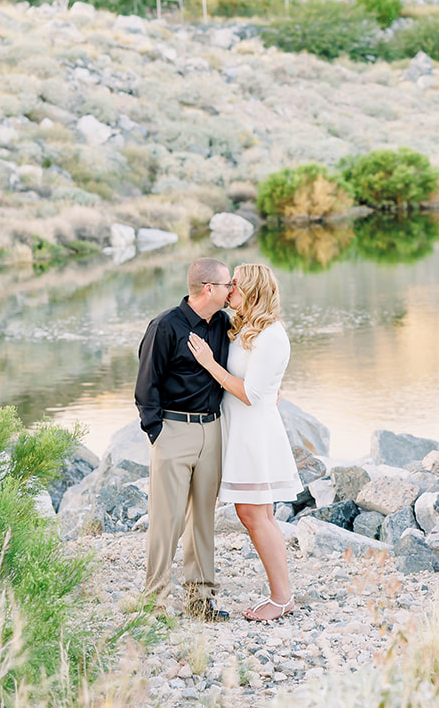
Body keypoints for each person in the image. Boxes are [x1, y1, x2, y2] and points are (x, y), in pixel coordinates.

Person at [186, 262, 301, 621]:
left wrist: (209, 363)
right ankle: (282, 594)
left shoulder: (270, 334)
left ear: (251, 289)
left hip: (254, 434)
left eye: (235, 283)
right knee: (258, 514)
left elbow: (251, 394)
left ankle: (281, 598)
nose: (229, 288)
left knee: (253, 514)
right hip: (241, 430)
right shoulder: (247, 329)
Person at [134, 257, 234, 621]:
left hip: (212, 430)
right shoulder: (164, 326)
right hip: (173, 430)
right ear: (209, 289)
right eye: (227, 285)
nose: (231, 290)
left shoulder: (223, 323)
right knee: (167, 521)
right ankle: (154, 603)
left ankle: (199, 601)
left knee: (202, 519)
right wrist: (158, 434)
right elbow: (146, 386)